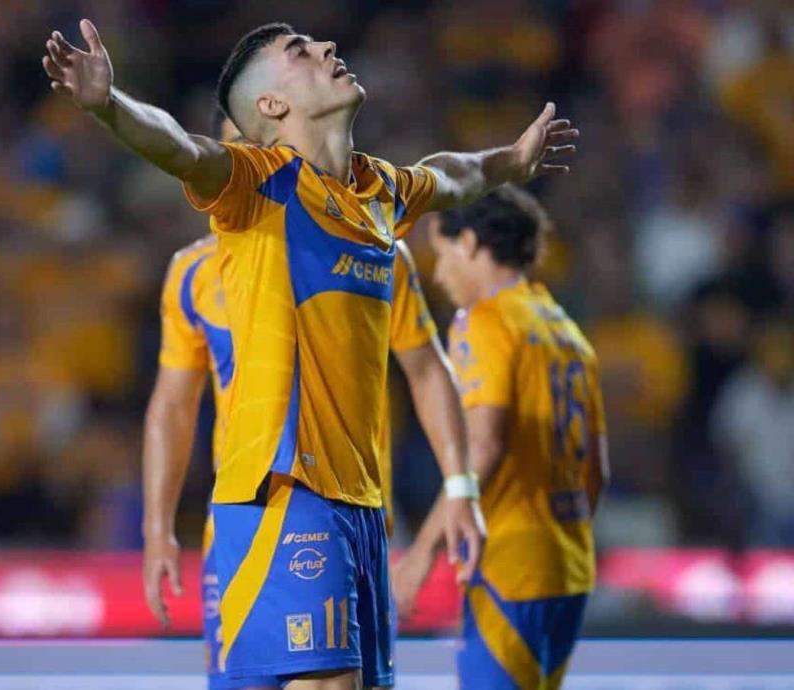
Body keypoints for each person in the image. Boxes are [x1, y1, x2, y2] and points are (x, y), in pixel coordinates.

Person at [42, 20, 577, 689]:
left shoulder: (380, 194)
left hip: (360, 504)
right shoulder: (257, 187)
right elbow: (183, 149)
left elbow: (451, 175)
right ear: (271, 106)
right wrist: (109, 106)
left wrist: (513, 163)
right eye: (299, 52)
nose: (327, 48)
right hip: (285, 492)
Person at [144, 118, 460, 690]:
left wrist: (460, 485)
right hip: (252, 515)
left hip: (350, 513)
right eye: (240, 148)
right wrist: (157, 526)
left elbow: (426, 370)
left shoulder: (373, 240)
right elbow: (173, 405)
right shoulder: (192, 273)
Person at [393, 186, 608, 690]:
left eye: (443, 254)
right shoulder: (567, 332)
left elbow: (483, 443)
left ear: (468, 242)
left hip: (510, 564)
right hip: (569, 566)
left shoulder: (485, 322)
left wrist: (421, 554)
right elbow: (597, 471)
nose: (439, 275)